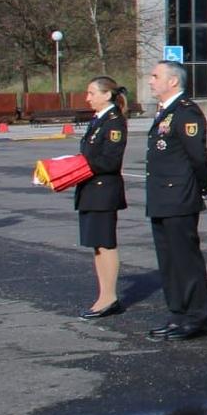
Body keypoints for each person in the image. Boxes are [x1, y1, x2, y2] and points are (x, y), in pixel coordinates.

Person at [143, 59, 207, 341]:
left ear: (173, 81)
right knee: (169, 260)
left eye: (155, 75)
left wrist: (202, 188)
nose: (150, 80)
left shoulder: (186, 112)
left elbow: (199, 158)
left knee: (185, 260)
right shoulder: (166, 112)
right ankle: (177, 313)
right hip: (162, 197)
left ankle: (195, 317)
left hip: (180, 196)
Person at [74, 76, 130, 319]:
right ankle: (104, 294)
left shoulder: (114, 122)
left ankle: (109, 297)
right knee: (97, 244)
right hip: (92, 190)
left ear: (106, 95)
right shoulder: (99, 120)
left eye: (91, 93)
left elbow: (110, 160)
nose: (88, 98)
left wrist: (75, 166)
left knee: (105, 243)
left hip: (103, 190)